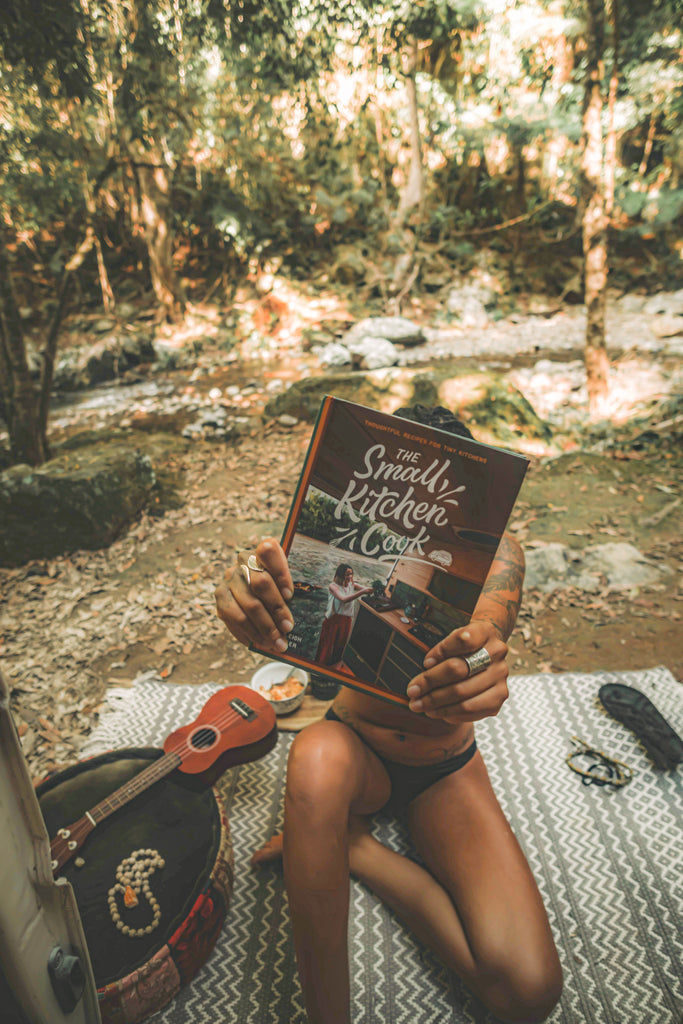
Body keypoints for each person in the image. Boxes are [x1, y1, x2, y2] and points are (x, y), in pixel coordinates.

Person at [215, 405, 563, 1024]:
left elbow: (488, 624)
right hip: (357, 746)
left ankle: (354, 847)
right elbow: (268, 575)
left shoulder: (499, 553)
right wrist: (247, 589)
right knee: (314, 758)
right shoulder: (359, 539)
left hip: (444, 767)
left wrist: (481, 664)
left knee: (528, 993)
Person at [314, 564, 372, 668]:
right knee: (327, 644)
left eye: (351, 574)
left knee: (340, 644)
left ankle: (333, 665)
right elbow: (344, 599)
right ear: (340, 575)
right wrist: (362, 592)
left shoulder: (352, 584)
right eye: (347, 574)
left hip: (346, 619)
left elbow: (367, 589)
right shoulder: (333, 586)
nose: (350, 576)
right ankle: (320, 666)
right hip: (334, 619)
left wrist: (371, 589)